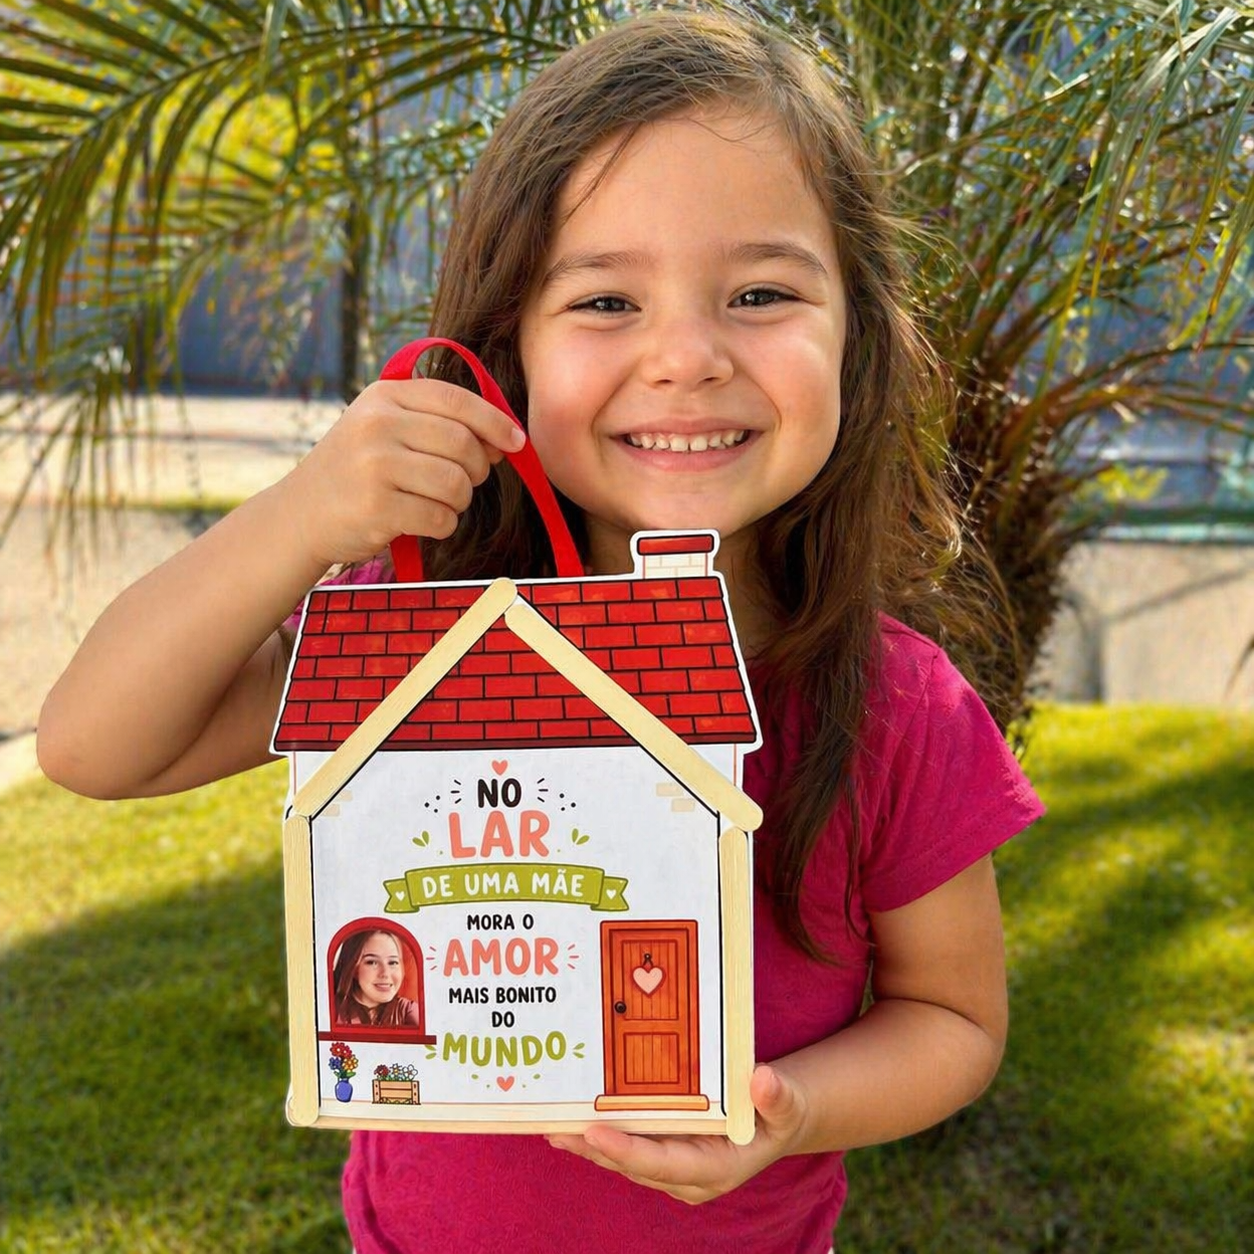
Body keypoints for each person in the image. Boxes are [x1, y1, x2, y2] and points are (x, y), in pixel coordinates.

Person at [37, 8, 1044, 1252]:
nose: (686, 356)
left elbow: (954, 1019)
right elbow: (92, 745)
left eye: (762, 293)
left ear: (860, 334)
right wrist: (301, 516)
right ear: (507, 346)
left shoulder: (894, 706)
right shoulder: (412, 643)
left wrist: (790, 1111)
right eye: (607, 299)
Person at [333, 928, 424, 1029]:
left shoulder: (407, 1010)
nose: (385, 973)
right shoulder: (330, 1010)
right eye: (372, 962)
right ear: (353, 968)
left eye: (392, 962)